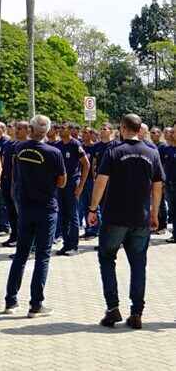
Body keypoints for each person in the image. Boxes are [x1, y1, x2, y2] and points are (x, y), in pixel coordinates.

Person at [88, 114, 164, 329]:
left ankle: (113, 309)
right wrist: (154, 213)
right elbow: (158, 186)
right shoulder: (152, 153)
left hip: (115, 217)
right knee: (139, 264)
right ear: (140, 129)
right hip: (140, 218)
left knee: (106, 259)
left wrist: (92, 208)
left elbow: (101, 182)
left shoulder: (113, 151)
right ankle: (137, 312)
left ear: (122, 128)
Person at [3, 115, 66, 317]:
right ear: (47, 131)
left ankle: (10, 301)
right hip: (46, 208)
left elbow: (15, 174)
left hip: (25, 207)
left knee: (21, 255)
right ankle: (36, 304)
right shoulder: (54, 152)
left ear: (30, 129)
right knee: (42, 256)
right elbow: (62, 181)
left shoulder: (19, 148)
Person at [55, 122, 90, 256]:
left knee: (73, 215)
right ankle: (66, 244)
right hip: (60, 185)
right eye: (60, 128)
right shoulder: (57, 146)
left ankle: (74, 246)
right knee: (62, 215)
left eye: (63, 128)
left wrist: (81, 185)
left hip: (72, 184)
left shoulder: (75, 144)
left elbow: (86, 165)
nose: (60, 130)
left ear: (70, 130)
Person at [1, 121, 29, 248]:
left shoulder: (25, 145)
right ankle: (14, 235)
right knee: (10, 211)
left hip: (18, 183)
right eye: (14, 128)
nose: (15, 130)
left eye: (18, 128)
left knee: (20, 213)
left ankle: (21, 239)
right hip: (7, 181)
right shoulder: (7, 144)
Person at [79, 127, 98, 240]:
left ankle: (94, 230)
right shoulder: (80, 147)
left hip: (91, 180)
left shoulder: (94, 147)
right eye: (83, 132)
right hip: (82, 180)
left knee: (93, 206)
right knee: (84, 205)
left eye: (86, 132)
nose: (84, 134)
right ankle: (88, 229)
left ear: (91, 134)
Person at [151, 127, 168, 233]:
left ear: (160, 134)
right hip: (151, 178)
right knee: (153, 202)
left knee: (161, 202)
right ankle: (154, 224)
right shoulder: (149, 146)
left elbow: (164, 164)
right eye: (151, 132)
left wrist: (163, 180)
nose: (153, 134)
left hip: (160, 178)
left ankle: (163, 226)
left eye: (155, 132)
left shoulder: (163, 147)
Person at [162, 128, 176, 243]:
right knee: (173, 210)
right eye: (170, 132)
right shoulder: (166, 149)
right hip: (169, 184)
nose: (171, 134)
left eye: (173, 132)